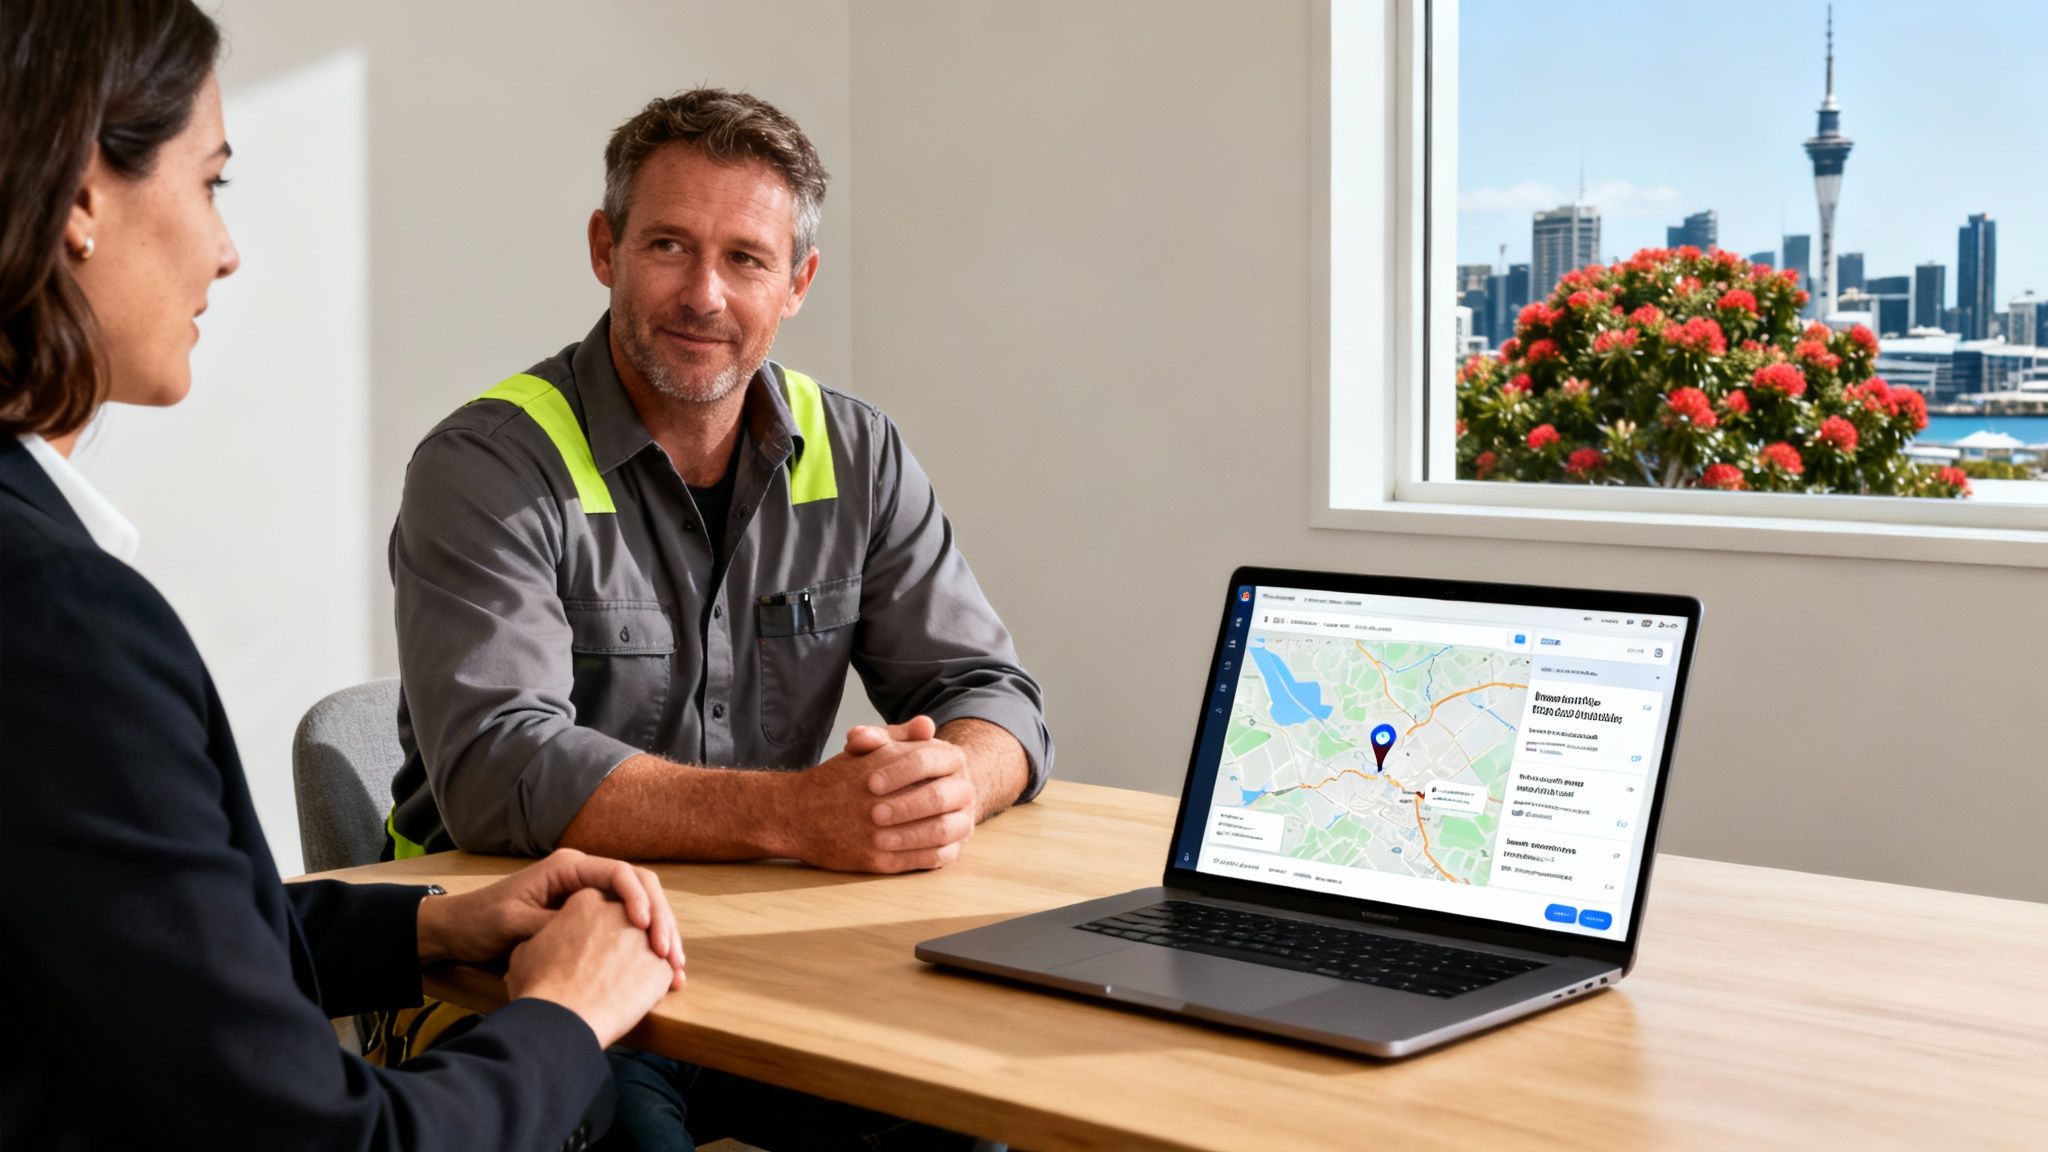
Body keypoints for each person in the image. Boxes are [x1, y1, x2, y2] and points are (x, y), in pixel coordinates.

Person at [0, 3, 684, 1147]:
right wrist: (567, 1014)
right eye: (211, 182)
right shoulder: (61, 622)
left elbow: (127, 942)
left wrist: (430, 927)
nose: (227, 248)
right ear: (79, 198)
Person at [384, 88, 1053, 873]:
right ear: (606, 250)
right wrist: (801, 816)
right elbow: (498, 772)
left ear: (797, 283)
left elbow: (993, 692)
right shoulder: (484, 465)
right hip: (489, 944)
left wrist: (948, 786)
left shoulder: (857, 451)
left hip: (744, 925)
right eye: (669, 246)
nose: (704, 295)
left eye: (745, 258)